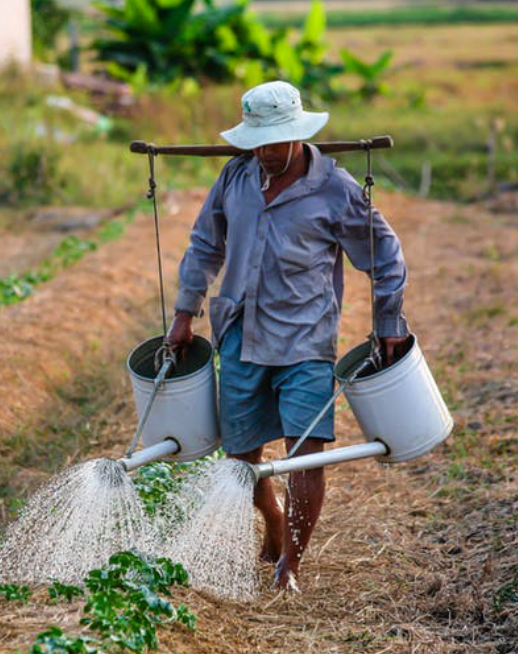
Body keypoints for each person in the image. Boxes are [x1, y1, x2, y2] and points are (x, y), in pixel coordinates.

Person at [166, 80, 410, 591]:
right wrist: (184, 312)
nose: (267, 153)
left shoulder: (336, 190)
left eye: (276, 142)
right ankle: (273, 521)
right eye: (258, 142)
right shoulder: (235, 177)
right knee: (241, 460)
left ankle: (289, 566)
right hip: (239, 335)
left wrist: (388, 322)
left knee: (306, 454)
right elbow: (204, 245)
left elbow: (385, 257)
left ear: (299, 135)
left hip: (305, 341)